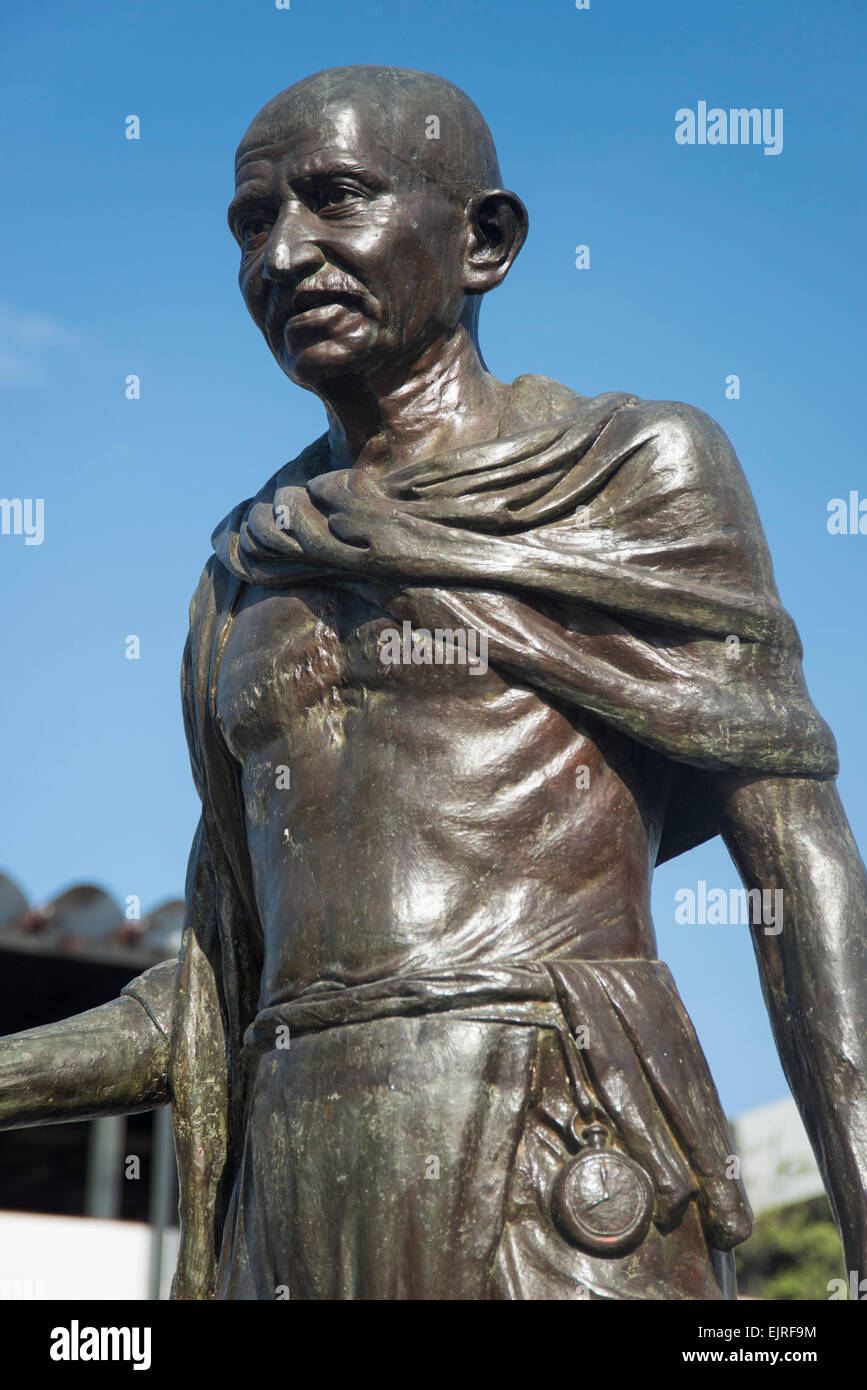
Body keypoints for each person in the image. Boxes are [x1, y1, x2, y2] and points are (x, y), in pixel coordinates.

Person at [2, 66, 866, 1300]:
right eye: (253, 222)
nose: (283, 254)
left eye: (335, 198)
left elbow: (797, 862)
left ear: (485, 242)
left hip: (565, 1157)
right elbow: (215, 989)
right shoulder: (245, 571)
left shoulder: (633, 472)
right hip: (294, 1192)